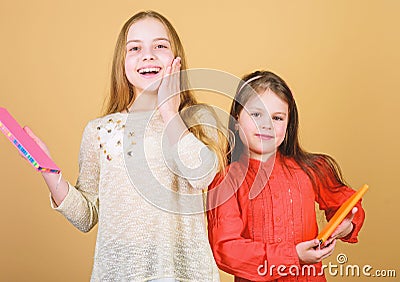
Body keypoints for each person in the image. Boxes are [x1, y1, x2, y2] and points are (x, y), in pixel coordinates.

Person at [24, 10, 225, 281]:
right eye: (135, 48)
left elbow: (202, 175)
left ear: (177, 60)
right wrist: (50, 174)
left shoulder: (196, 119)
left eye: (160, 46)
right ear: (122, 63)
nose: (148, 55)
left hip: (185, 275)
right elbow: (86, 216)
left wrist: (169, 113)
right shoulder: (100, 131)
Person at [206, 70, 365, 281]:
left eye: (277, 117)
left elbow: (347, 205)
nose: (267, 124)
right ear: (236, 119)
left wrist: (344, 227)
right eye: (256, 114)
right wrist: (294, 256)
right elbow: (226, 249)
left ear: (288, 125)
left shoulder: (311, 168)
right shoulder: (226, 182)